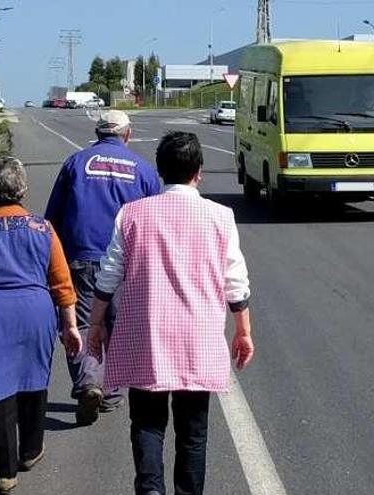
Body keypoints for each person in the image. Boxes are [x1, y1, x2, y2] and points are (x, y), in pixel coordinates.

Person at [88, 132, 255, 495]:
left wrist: (96, 325)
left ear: (160, 171)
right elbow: (235, 281)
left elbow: (109, 274)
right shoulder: (220, 217)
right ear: (199, 171)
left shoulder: (132, 214)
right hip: (198, 339)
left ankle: (150, 491)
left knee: (147, 424)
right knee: (193, 431)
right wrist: (243, 330)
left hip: (147, 337)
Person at [0, 157, 81, 494]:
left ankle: (4, 473)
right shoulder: (43, 229)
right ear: (23, 188)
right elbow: (62, 283)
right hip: (36, 311)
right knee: (33, 378)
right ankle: (31, 449)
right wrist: (70, 326)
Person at [44, 110, 162, 425]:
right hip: (125, 263)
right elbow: (156, 221)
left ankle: (87, 382)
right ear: (128, 134)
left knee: (80, 323)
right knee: (119, 327)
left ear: (97, 134)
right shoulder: (144, 170)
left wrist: (50, 260)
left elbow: (52, 216)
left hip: (80, 258)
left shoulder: (75, 163)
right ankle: (110, 392)